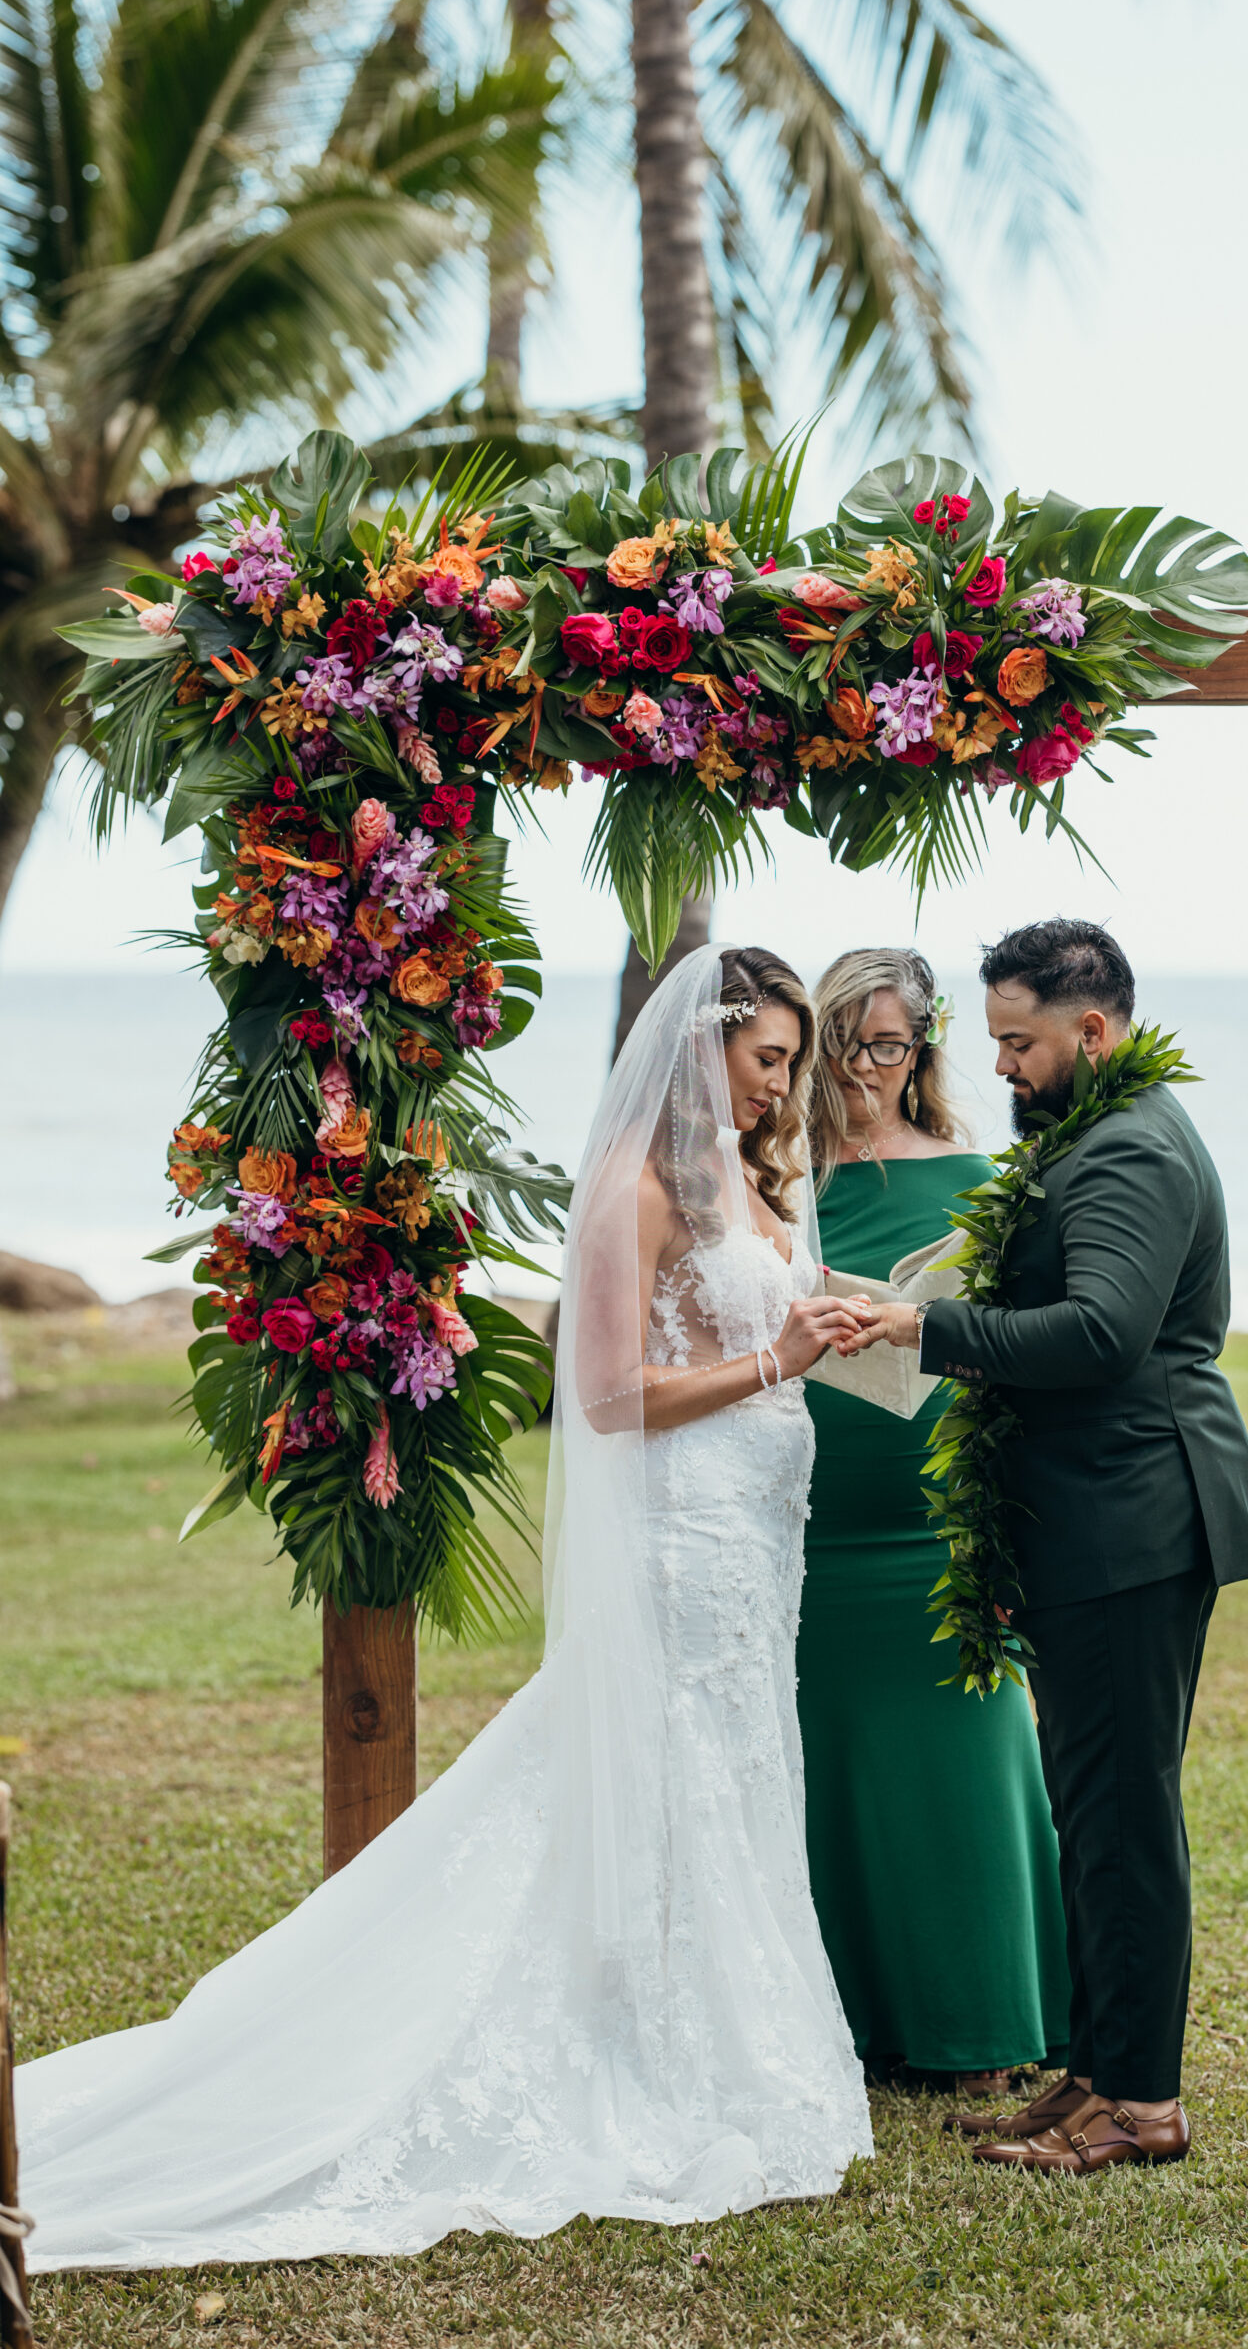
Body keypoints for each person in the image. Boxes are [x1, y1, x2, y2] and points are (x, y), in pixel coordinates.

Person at [17, 946, 874, 2267]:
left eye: (785, 1065)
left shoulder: (746, 1187)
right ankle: (640, 2052)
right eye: (764, 1060)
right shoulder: (630, 1189)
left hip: (757, 1534)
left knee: (732, 1770)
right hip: (680, 1531)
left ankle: (722, 2044)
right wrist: (777, 1356)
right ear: (700, 1051)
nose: (778, 1089)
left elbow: (735, 1332)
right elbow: (601, 1396)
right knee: (664, 1765)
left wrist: (829, 1320)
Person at [843, 920, 1248, 2176]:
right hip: (1093, 1514)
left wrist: (919, 1326)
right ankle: (1095, 2073)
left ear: (1093, 1032)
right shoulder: (1094, 1131)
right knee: (1091, 1807)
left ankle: (1142, 2104)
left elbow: (1098, 1336)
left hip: (1135, 1515)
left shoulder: (1130, 1145)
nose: (1005, 1068)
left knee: (1126, 1816)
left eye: (1020, 1044)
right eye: (996, 1043)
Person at [798, 949, 1069, 2093]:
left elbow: (1024, 1340)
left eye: (890, 1043)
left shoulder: (979, 1172)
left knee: (975, 1760)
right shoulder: (775, 1177)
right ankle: (844, 2027)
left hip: (940, 1517)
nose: (867, 1069)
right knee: (827, 1770)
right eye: (845, 1043)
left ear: (924, 1046)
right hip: (807, 1520)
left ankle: (986, 2021)